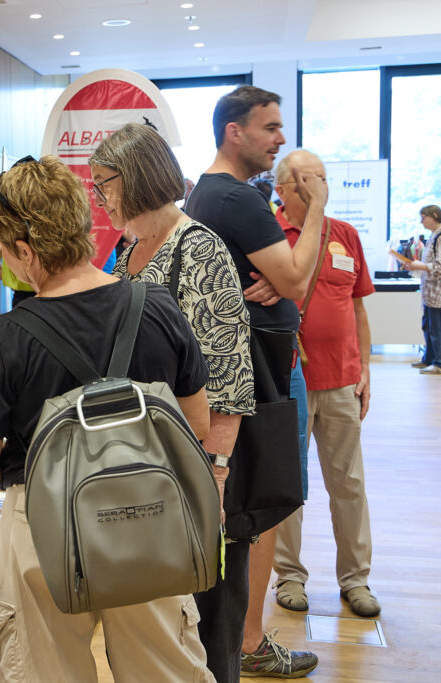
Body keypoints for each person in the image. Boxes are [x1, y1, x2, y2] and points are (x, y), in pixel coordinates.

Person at [0, 155, 214, 682]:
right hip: (149, 513)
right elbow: (197, 425)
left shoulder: (5, 337)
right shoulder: (156, 305)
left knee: (45, 670)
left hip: (44, 523)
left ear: (25, 251)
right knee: (164, 668)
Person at [185, 85, 326, 681]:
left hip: (253, 375)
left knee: (248, 511)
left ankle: (241, 642)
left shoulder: (216, 194)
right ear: (233, 131)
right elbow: (294, 280)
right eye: (269, 127)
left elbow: (286, 280)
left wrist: (283, 278)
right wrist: (316, 209)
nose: (279, 139)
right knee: (255, 511)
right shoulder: (234, 197)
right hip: (256, 381)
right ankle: (245, 644)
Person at [92, 122, 255, 558]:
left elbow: (229, 376)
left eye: (103, 184)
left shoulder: (198, 248)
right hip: (144, 458)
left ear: (134, 176)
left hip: (191, 460)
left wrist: (214, 476)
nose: (99, 198)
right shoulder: (129, 254)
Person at [264, 149, 380, 619]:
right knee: (288, 485)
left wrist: (365, 368)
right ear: (283, 189)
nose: (320, 187)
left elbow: (357, 306)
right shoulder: (268, 235)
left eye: (324, 178)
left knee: (348, 484)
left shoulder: (346, 235)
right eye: (309, 179)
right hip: (287, 381)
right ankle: (289, 575)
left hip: (341, 381)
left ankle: (356, 579)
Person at [407, 205, 441, 374]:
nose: (421, 221)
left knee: (436, 329)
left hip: (438, 294)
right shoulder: (433, 236)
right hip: (429, 293)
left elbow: (439, 266)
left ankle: (439, 363)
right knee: (428, 326)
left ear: (434, 215)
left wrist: (420, 266)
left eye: (423, 217)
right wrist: (415, 267)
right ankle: (429, 358)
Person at [0, 242, 35, 307]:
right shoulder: (38, 241)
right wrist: (10, 282)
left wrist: (11, 282)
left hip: (21, 297)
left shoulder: (9, 242)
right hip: (30, 295)